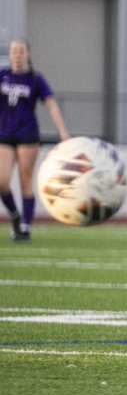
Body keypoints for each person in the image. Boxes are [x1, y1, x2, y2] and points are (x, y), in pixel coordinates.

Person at [0, 38, 69, 242]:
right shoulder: (2, 76)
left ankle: (25, 227)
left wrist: (63, 132)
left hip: (28, 135)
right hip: (4, 134)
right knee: (1, 181)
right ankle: (15, 215)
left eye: (21, 50)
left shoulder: (35, 79)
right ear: (10, 54)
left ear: (27, 54)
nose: (17, 54)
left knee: (25, 182)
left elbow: (51, 104)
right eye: (14, 50)